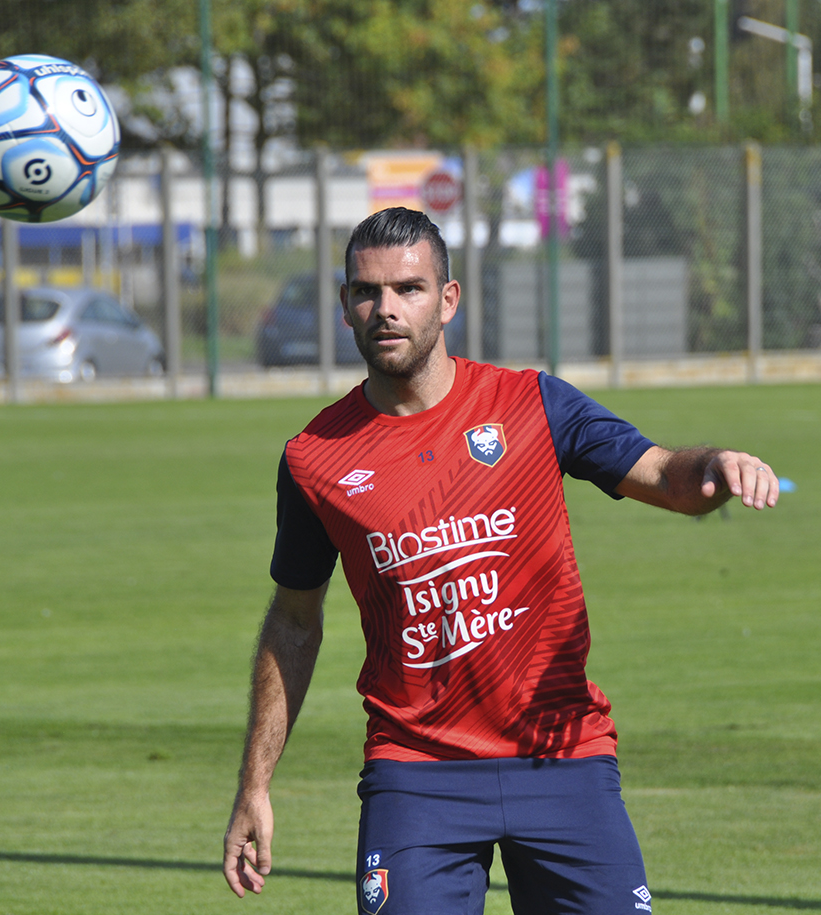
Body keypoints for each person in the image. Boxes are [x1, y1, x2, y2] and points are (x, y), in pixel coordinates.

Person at [223, 207, 779, 915]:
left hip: (563, 755)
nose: (386, 309)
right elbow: (294, 622)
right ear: (345, 306)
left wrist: (718, 465)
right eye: (367, 291)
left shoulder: (531, 405)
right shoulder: (315, 458)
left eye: (409, 288)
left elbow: (668, 475)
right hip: (417, 771)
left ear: (448, 300)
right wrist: (255, 785)